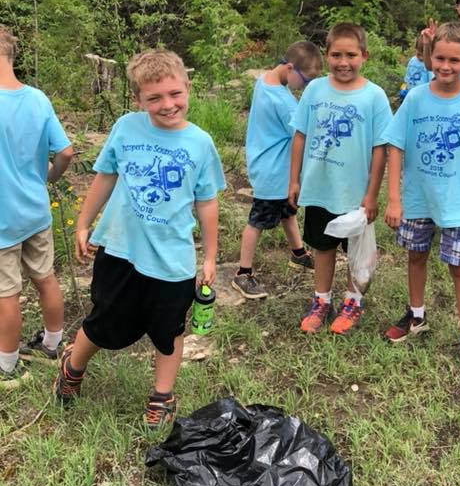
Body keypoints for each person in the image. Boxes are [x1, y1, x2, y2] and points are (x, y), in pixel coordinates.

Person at [53, 50, 225, 427]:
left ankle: (162, 396)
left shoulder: (200, 143)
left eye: (175, 94)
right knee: (104, 320)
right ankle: (73, 367)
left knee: (169, 329)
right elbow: (105, 176)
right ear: (138, 100)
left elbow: (207, 202)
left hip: (172, 259)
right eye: (155, 98)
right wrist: (84, 223)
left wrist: (210, 257)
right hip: (119, 248)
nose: (168, 104)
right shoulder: (126, 127)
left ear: (187, 87)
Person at [383, 22, 460, 377]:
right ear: (430, 57)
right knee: (416, 256)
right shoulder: (415, 98)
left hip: (459, 202)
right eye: (439, 58)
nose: (446, 67)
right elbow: (395, 145)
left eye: (454, 60)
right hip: (417, 198)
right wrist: (394, 199)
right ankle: (416, 315)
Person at [289, 22, 392, 335]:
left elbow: (380, 148)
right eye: (336, 55)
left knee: (356, 250)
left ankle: (352, 301)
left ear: (364, 55)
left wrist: (372, 195)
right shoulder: (314, 90)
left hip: (355, 193)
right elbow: (300, 135)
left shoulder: (374, 97)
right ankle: (321, 300)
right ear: (326, 55)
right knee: (323, 246)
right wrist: (293, 180)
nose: (343, 62)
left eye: (351, 54)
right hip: (320, 186)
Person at [0, 30, 74, 389]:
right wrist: (47, 177)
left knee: (6, 293)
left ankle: (7, 367)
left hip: (2, 220)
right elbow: (65, 153)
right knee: (44, 277)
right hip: (35, 211)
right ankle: (51, 344)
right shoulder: (38, 99)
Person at [231, 41, 323, 299]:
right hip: (274, 173)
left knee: (288, 212)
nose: (304, 86)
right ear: (290, 68)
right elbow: (301, 137)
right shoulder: (285, 103)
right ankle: (242, 273)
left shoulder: (265, 80)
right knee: (257, 221)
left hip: (267, 165)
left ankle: (298, 254)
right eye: (305, 80)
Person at [398, 33, 432, 102]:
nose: (421, 57)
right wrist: (404, 87)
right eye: (419, 54)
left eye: (424, 55)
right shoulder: (412, 61)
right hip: (410, 94)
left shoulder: (429, 64)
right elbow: (408, 76)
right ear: (415, 49)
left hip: (423, 97)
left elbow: (431, 82)